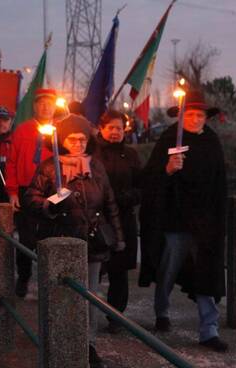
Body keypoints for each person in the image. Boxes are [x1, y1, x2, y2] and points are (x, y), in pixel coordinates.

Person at [23, 114, 124, 367]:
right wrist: (48, 204)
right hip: (60, 238)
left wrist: (118, 236)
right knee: (60, 291)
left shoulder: (96, 167)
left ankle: (88, 344)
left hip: (92, 241)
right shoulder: (49, 167)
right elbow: (30, 198)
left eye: (82, 139)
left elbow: (110, 202)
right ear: (62, 140)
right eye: (72, 139)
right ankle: (57, 338)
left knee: (90, 294)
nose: (78, 144)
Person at [138, 90, 229, 352]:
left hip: (206, 221)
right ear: (180, 117)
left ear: (206, 118)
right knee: (168, 268)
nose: (195, 119)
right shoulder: (169, 138)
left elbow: (219, 183)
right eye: (189, 114)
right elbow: (149, 179)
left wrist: (217, 218)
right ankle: (162, 311)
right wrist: (168, 170)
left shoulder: (212, 143)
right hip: (175, 219)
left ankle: (209, 329)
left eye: (200, 115)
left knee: (207, 273)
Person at [93, 109, 142, 333]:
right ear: (102, 129)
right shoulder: (92, 153)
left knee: (119, 271)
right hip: (98, 220)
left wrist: (126, 198)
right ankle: (87, 312)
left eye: (119, 128)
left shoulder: (132, 155)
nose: (115, 132)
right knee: (96, 267)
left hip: (124, 219)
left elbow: (142, 186)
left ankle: (116, 316)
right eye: (111, 127)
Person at [5, 88, 57, 298]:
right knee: (26, 239)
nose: (45, 107)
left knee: (50, 237)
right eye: (41, 103)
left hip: (51, 190)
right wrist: (13, 192)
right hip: (27, 190)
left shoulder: (59, 129)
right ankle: (24, 278)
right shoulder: (22, 130)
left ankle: (50, 283)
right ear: (35, 106)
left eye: (50, 103)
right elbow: (12, 163)